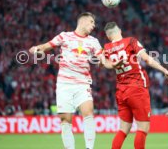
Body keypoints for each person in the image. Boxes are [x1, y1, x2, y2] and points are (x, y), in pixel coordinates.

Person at [29, 12, 116, 149]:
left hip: (83, 83)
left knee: (88, 112)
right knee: (66, 120)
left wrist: (114, 64)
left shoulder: (93, 41)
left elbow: (104, 61)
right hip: (64, 84)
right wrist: (36, 48)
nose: (94, 25)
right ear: (83, 21)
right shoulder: (64, 36)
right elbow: (46, 46)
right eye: (92, 22)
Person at [103, 22, 168, 149]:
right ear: (119, 30)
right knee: (143, 128)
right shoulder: (130, 41)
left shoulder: (107, 48)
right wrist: (165, 71)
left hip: (121, 91)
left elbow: (105, 64)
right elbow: (147, 59)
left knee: (123, 129)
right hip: (136, 88)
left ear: (108, 36)